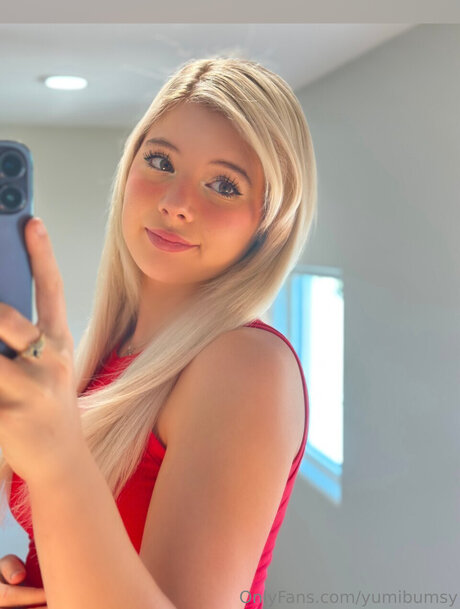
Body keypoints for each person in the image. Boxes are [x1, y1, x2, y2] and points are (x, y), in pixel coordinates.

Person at [0, 54, 317, 608]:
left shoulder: (247, 364)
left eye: (224, 184)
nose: (175, 204)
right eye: (161, 162)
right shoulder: (113, 353)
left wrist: (57, 461)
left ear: (270, 225)